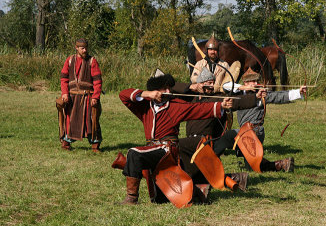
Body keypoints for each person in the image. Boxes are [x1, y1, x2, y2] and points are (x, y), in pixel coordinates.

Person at [118, 70, 233, 205]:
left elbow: (199, 109)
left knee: (134, 153)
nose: (168, 90)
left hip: (167, 149)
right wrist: (146, 94)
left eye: (169, 88)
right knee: (159, 199)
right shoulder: (145, 106)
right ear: (155, 90)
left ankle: (131, 198)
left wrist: (221, 105)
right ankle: (197, 191)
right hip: (152, 150)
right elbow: (123, 95)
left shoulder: (175, 104)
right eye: (164, 88)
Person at [176, 67, 266, 192]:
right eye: (208, 83)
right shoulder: (192, 97)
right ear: (200, 84)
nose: (212, 85)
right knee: (187, 167)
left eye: (213, 82)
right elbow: (172, 88)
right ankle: (235, 178)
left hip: (206, 142)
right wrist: (191, 87)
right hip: (192, 141)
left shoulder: (218, 98)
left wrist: (255, 97)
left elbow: (237, 102)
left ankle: (215, 184)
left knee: (185, 161)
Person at [220, 67, 308, 172]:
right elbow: (225, 86)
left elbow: (279, 96)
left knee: (228, 138)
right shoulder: (239, 94)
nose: (255, 83)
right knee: (251, 166)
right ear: (245, 82)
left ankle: (279, 164)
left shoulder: (262, 95)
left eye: (257, 81)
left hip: (255, 132)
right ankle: (282, 164)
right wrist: (242, 88)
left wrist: (299, 92)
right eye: (252, 81)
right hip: (243, 132)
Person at [58, 38, 102, 152]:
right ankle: (66, 143)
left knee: (91, 121)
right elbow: (64, 78)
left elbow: (97, 81)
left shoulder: (92, 61)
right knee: (70, 121)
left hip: (88, 97)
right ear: (76, 48)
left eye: (86, 48)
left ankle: (95, 146)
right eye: (82, 48)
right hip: (72, 97)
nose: (85, 50)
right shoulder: (70, 60)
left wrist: (96, 97)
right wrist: (64, 93)